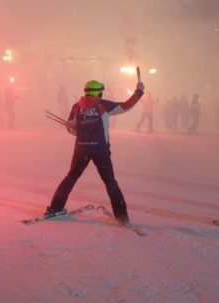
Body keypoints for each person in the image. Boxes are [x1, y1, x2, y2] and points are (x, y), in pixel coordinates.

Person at [45, 78, 145, 223]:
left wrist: (76, 128)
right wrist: (139, 92)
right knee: (110, 182)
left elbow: (71, 129)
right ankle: (121, 216)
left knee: (71, 178)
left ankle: (55, 209)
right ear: (99, 93)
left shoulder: (76, 107)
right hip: (100, 150)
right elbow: (126, 106)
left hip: (81, 149)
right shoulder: (103, 105)